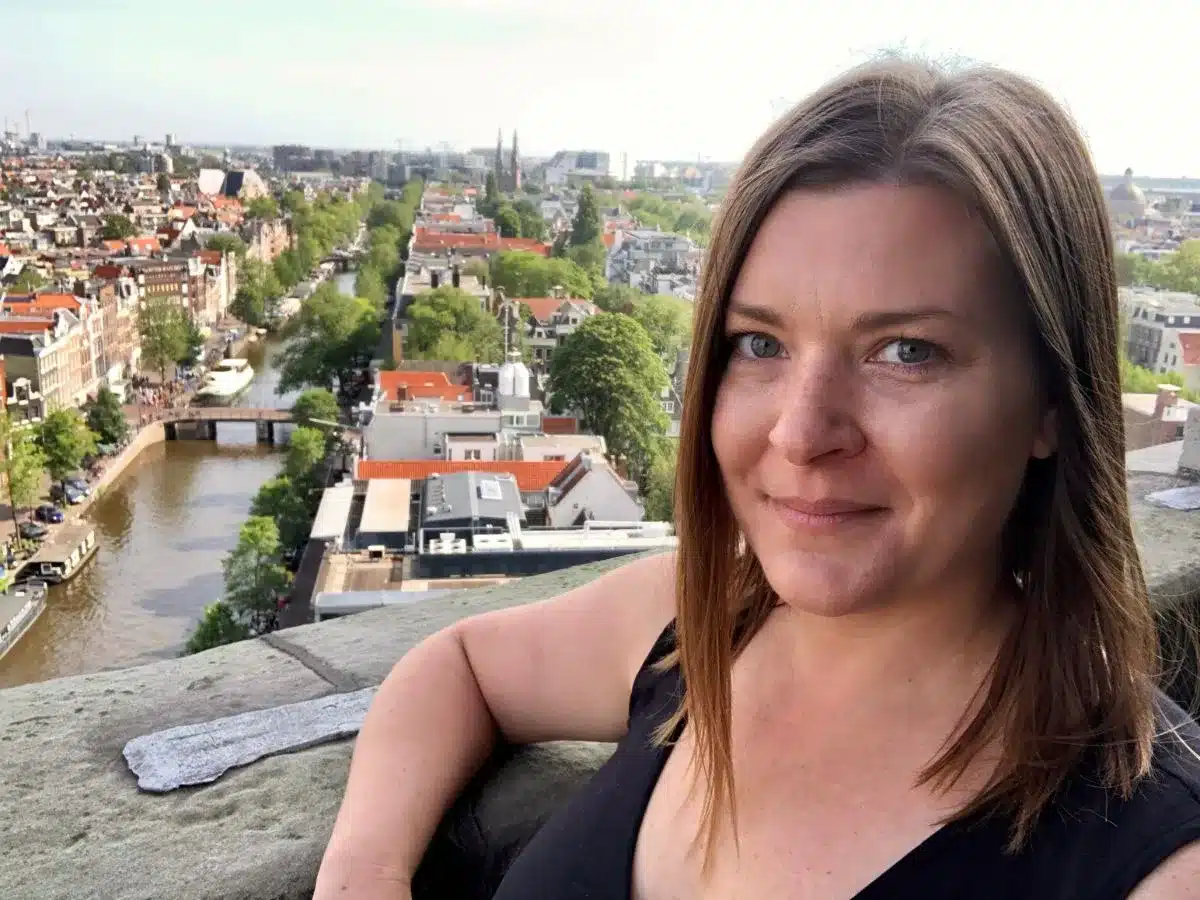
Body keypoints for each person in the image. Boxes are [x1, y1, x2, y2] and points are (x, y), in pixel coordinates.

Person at [314, 58, 1200, 899]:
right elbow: (459, 664)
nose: (802, 431)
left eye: (906, 352)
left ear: (1052, 398)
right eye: (760, 344)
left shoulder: (1156, 863)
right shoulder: (705, 617)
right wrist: (362, 874)